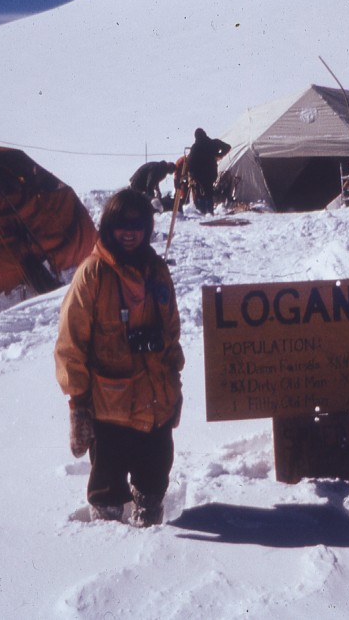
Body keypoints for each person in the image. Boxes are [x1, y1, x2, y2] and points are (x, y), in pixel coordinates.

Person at [54, 189, 185, 526]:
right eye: (121, 225)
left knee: (155, 477)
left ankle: (152, 526)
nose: (129, 233)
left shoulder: (157, 271)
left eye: (137, 225)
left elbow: (171, 330)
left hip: (156, 400)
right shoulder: (93, 273)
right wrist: (78, 403)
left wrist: (175, 381)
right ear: (108, 227)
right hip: (109, 407)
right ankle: (108, 544)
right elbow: (71, 341)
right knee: (108, 488)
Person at [186, 127, 231, 215]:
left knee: (200, 193)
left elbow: (190, 162)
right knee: (209, 192)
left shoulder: (195, 147)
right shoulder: (213, 143)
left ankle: (203, 211)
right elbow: (227, 147)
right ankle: (210, 211)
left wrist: (192, 174)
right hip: (211, 172)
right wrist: (219, 155)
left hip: (199, 174)